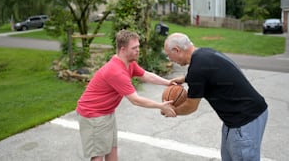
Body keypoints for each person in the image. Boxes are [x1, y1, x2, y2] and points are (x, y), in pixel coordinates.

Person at [164, 32, 268, 161]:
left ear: (177, 50)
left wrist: (172, 111)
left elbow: (191, 106)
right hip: (237, 118)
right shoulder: (204, 53)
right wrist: (186, 79)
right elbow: (210, 74)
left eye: (169, 56)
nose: (170, 60)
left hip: (245, 119)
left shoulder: (197, 68)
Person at [76, 29, 176, 161]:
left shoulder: (129, 64)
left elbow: (146, 75)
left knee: (112, 150)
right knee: (98, 156)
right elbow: (135, 100)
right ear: (123, 49)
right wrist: (161, 106)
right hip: (93, 115)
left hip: (106, 113)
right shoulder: (116, 71)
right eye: (134, 48)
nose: (138, 50)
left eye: (138, 47)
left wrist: (168, 83)